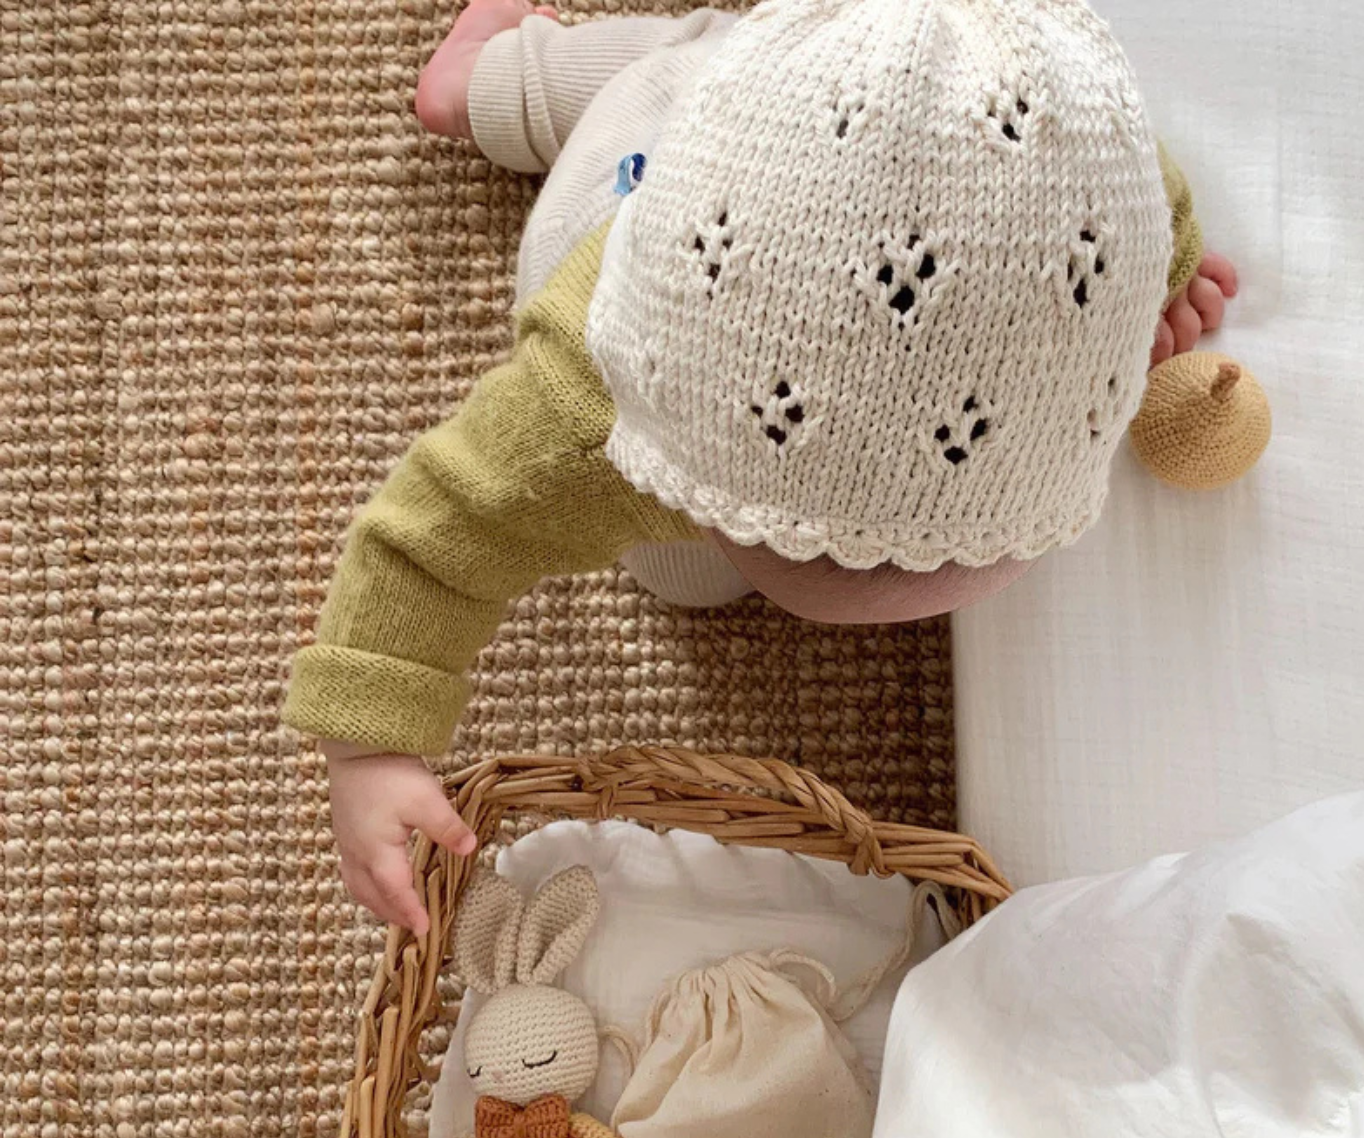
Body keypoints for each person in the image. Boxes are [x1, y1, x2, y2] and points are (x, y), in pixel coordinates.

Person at [285, 0, 1237, 932]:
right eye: (765, 537)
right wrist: (368, 750)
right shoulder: (587, 413)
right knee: (650, 75)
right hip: (656, 137)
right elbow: (430, 538)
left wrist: (1163, 270)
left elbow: (1141, 187)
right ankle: (485, 79)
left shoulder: (1077, 146)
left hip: (812, 113)